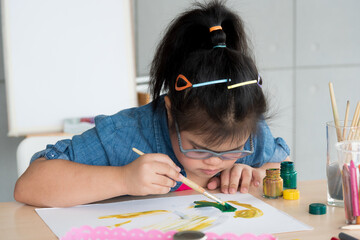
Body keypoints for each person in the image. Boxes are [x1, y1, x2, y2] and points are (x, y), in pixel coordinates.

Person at [14, 0, 290, 207]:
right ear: (171, 112)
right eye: (198, 148)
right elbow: (29, 186)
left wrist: (256, 173)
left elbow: (284, 167)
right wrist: (123, 179)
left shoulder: (245, 125)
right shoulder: (125, 133)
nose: (215, 162)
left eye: (233, 150)